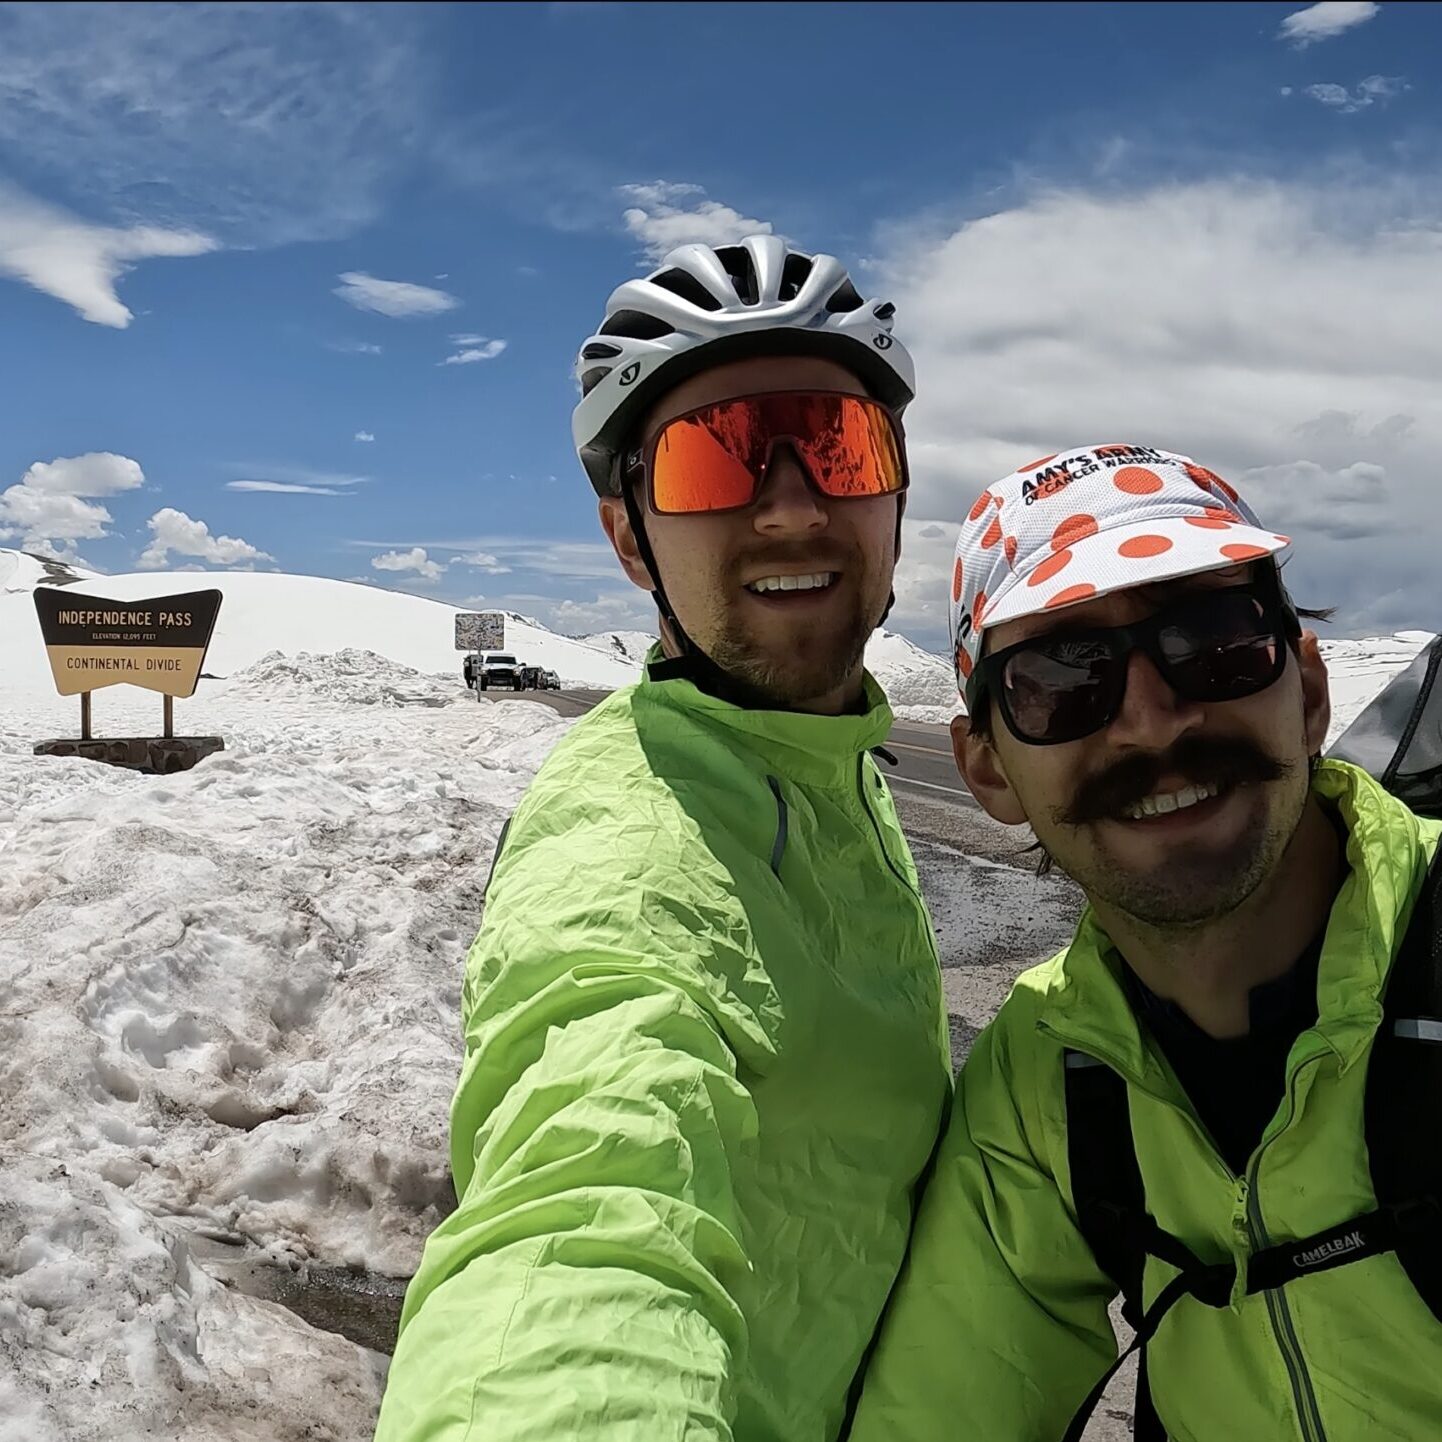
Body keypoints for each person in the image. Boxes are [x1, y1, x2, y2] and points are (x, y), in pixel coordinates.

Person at [375, 235, 951, 1442]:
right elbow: (583, 1198)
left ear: (893, 492)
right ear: (629, 537)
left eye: (838, 446)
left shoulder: (824, 756)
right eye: (711, 460)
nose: (791, 506)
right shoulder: (630, 844)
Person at [847, 445, 1442, 1440]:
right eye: (1060, 675)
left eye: (1210, 640)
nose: (1149, 719)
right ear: (985, 766)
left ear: (1302, 691)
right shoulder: (1044, 1080)